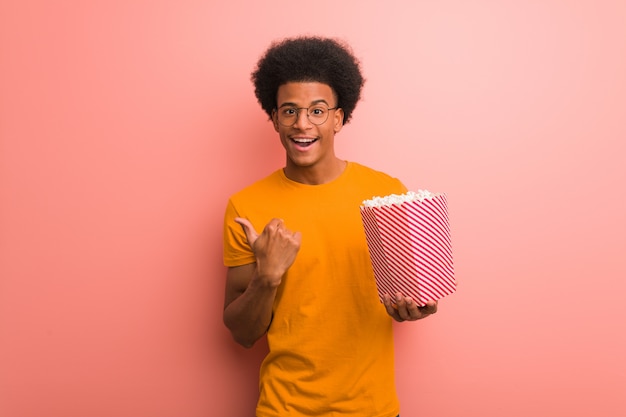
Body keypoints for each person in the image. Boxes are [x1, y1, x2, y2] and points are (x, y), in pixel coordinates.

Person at [222, 36, 438, 417]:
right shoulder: (246, 206)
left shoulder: (386, 194)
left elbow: (413, 295)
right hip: (283, 409)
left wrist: (416, 306)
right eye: (289, 111)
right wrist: (267, 277)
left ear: (339, 117)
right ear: (274, 118)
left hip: (373, 409)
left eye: (317, 111)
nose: (302, 124)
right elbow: (242, 334)